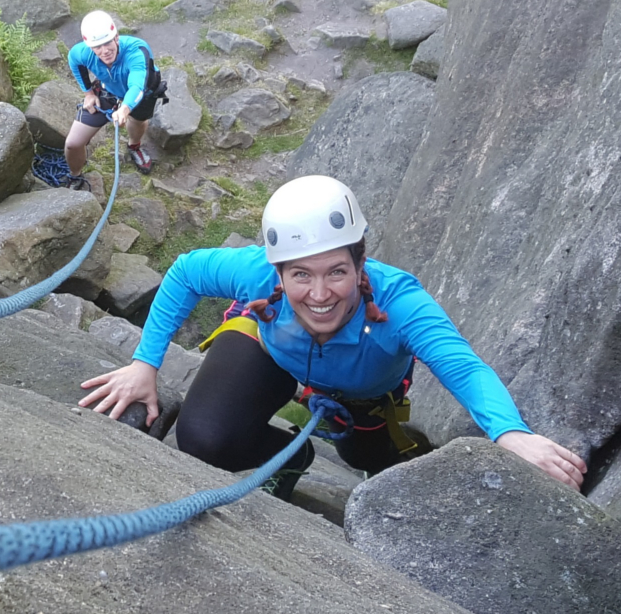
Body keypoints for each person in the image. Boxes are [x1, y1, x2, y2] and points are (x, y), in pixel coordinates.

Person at [78, 175, 587, 499]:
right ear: (276, 271)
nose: (320, 294)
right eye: (300, 275)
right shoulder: (255, 273)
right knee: (205, 437)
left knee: (372, 463)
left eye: (336, 272)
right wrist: (145, 364)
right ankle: (292, 456)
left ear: (361, 262)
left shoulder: (399, 302)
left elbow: (463, 367)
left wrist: (511, 433)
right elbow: (186, 273)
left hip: (363, 394)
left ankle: (342, 456)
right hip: (271, 348)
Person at [63, 11, 168, 188]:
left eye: (107, 43)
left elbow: (136, 85)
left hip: (142, 94)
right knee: (72, 143)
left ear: (116, 38)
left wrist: (125, 108)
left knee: (138, 121)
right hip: (107, 92)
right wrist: (88, 93)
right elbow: (74, 61)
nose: (104, 51)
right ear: (89, 47)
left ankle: (134, 146)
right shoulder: (81, 52)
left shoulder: (137, 50)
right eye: (97, 47)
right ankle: (75, 175)